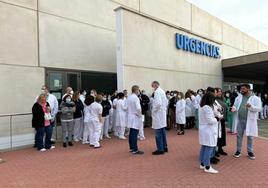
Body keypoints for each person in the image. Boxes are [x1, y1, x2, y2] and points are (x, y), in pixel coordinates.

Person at [232, 84, 262, 160]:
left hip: (250, 120)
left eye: (243, 89)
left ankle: (250, 152)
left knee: (250, 136)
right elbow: (235, 105)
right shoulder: (239, 97)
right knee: (239, 136)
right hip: (240, 119)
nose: (241, 90)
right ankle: (238, 151)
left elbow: (259, 109)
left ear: (248, 89)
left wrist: (251, 107)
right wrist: (234, 108)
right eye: (241, 89)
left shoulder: (256, 98)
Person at [199, 92, 219, 174]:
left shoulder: (203, 106)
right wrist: (217, 119)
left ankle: (202, 163)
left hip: (205, 130)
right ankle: (207, 166)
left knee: (204, 147)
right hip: (208, 130)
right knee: (209, 148)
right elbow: (210, 120)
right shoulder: (207, 107)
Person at [151, 81, 168, 155]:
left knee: (158, 132)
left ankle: (160, 149)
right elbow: (166, 102)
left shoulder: (157, 92)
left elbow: (158, 103)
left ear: (155, 85)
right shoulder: (162, 91)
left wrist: (153, 110)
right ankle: (164, 147)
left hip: (158, 114)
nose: (152, 87)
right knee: (162, 131)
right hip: (162, 114)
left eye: (153, 86)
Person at [127, 85, 144, 155]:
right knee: (135, 133)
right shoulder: (136, 98)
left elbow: (126, 107)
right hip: (135, 116)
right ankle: (135, 149)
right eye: (138, 90)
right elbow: (138, 108)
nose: (139, 91)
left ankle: (131, 147)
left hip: (130, 116)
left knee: (131, 132)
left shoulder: (129, 97)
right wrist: (139, 115)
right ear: (136, 90)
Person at [215, 88, 227, 156]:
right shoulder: (214, 100)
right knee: (217, 135)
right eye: (218, 91)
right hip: (217, 120)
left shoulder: (223, 99)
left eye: (220, 91)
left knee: (222, 135)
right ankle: (215, 150)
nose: (220, 93)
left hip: (222, 119)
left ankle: (220, 148)